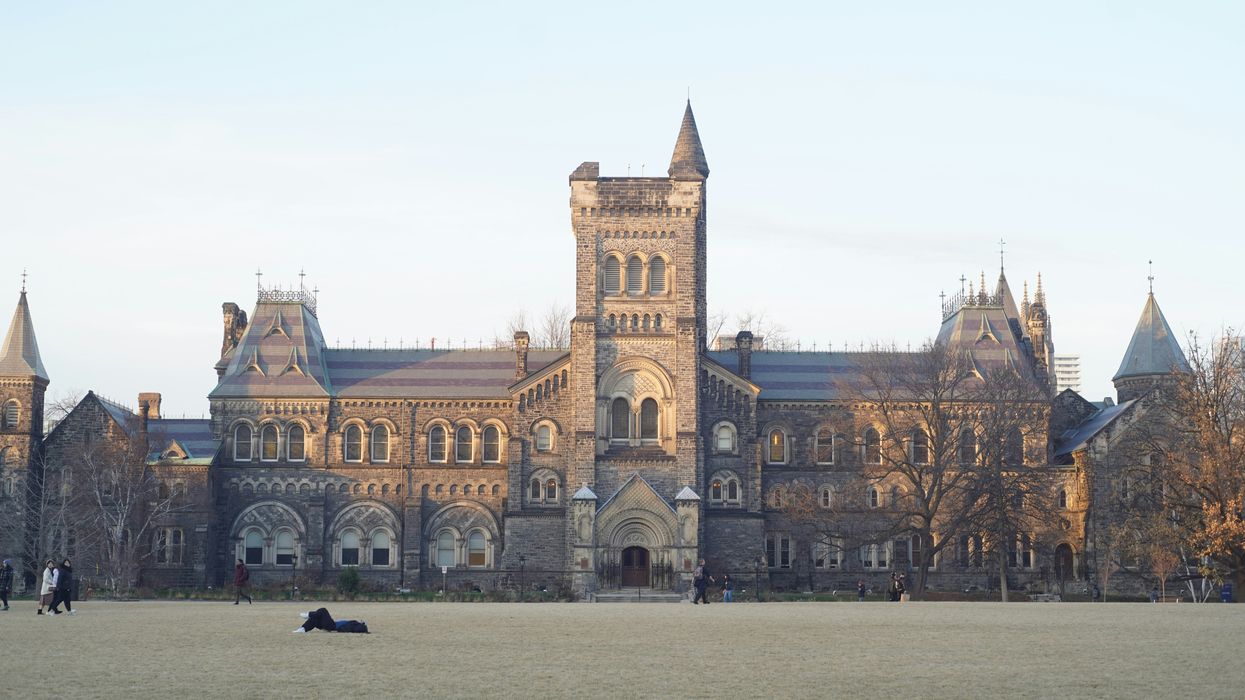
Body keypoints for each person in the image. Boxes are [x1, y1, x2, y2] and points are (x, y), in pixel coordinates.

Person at [293, 608, 369, 634]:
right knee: (315, 619)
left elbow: (345, 629)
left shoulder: (353, 625)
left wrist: (362, 625)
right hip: (331, 625)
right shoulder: (352, 623)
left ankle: (308, 614)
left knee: (323, 610)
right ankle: (303, 629)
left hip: (332, 626)